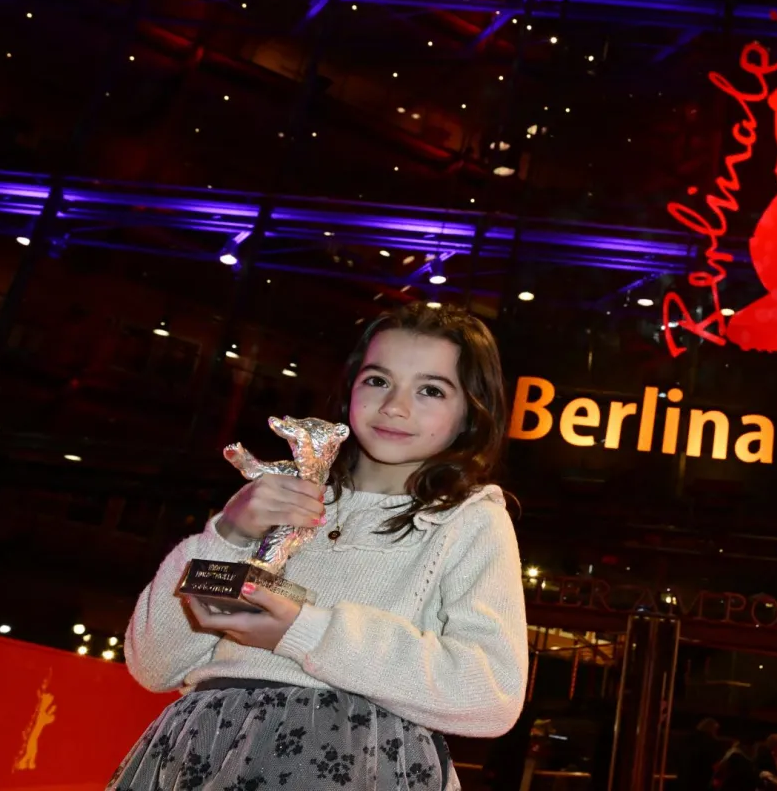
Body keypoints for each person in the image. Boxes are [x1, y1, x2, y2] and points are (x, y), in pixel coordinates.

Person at [107, 302, 529, 790]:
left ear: (470, 414)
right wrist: (229, 534)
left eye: (431, 390)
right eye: (377, 380)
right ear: (349, 387)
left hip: (356, 761)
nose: (395, 406)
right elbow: (154, 663)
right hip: (201, 750)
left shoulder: (469, 519)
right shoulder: (278, 494)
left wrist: (301, 631)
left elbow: (491, 695)